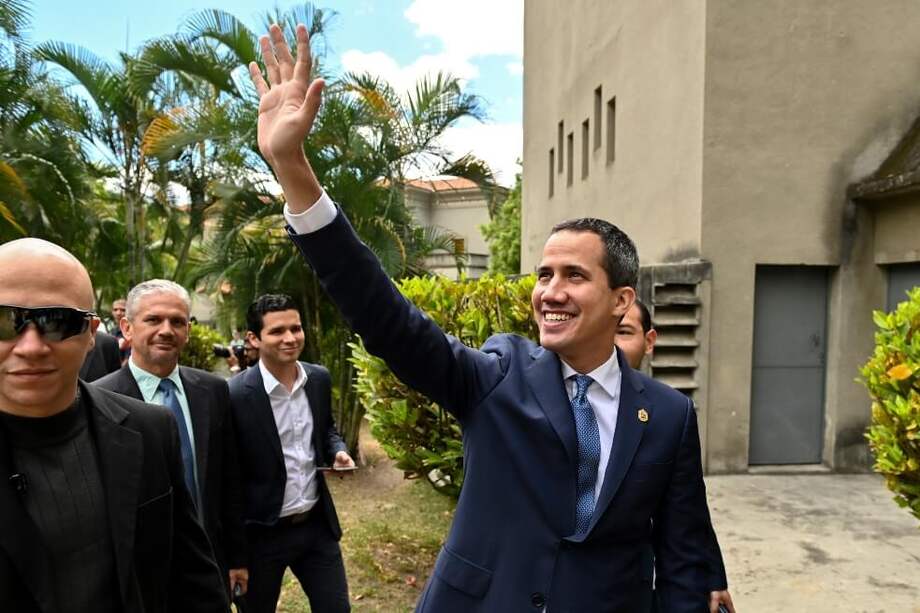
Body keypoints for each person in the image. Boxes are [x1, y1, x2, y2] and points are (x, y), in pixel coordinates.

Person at [246, 24, 730, 612]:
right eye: (544, 274)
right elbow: (387, 318)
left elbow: (685, 560)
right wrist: (294, 167)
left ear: (622, 300)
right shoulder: (498, 375)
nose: (550, 291)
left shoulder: (670, 418)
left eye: (574, 276)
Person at [0, 239, 228, 613]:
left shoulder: (149, 430)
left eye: (56, 322)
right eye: (5, 321)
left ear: (92, 333)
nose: (31, 346)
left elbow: (192, 579)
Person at [94, 279, 248, 597]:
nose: (167, 330)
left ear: (188, 331)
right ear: (127, 327)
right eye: (153, 320)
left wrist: (236, 557)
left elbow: (229, 479)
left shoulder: (213, 390)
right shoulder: (99, 398)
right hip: (137, 576)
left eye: (177, 321)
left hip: (208, 565)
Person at [228, 294, 354, 613]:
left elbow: (326, 429)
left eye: (296, 328)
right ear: (254, 339)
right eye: (277, 331)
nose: (290, 338)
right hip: (261, 535)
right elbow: (227, 480)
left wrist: (337, 451)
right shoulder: (234, 395)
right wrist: (235, 557)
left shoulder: (318, 378)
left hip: (316, 527)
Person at [615, 300, 735, 612]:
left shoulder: (669, 414)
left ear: (649, 341)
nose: (612, 344)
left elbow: (688, 512)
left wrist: (712, 577)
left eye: (624, 332)